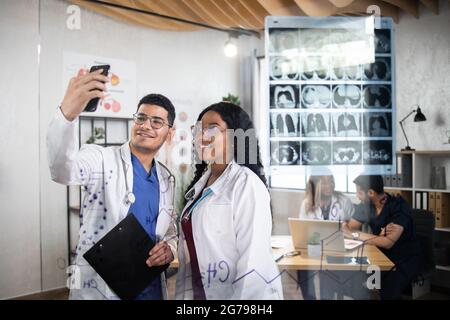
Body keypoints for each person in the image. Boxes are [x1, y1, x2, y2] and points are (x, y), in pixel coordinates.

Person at [47, 68, 177, 300]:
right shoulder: (101, 158)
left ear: (169, 133)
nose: (146, 125)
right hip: (103, 289)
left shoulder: (167, 178)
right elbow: (62, 171)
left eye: (156, 122)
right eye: (141, 118)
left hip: (151, 288)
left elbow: (168, 230)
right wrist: (67, 116)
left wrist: (170, 249)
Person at [175, 102, 283, 300]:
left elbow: (253, 265)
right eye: (198, 129)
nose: (201, 136)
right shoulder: (203, 183)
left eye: (212, 128)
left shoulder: (246, 184)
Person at [342, 175, 420, 300]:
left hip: (403, 258)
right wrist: (377, 237)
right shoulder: (366, 205)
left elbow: (388, 243)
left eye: (360, 192)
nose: (357, 196)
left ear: (371, 193)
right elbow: (348, 228)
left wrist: (357, 235)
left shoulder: (398, 206)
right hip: (378, 254)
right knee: (351, 278)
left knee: (388, 290)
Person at [298, 173, 355, 300]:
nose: (329, 185)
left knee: (326, 271)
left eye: (331, 181)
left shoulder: (343, 201)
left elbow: (353, 229)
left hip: (337, 249)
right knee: (302, 269)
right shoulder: (307, 204)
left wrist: (347, 229)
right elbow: (303, 230)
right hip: (315, 247)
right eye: (324, 182)